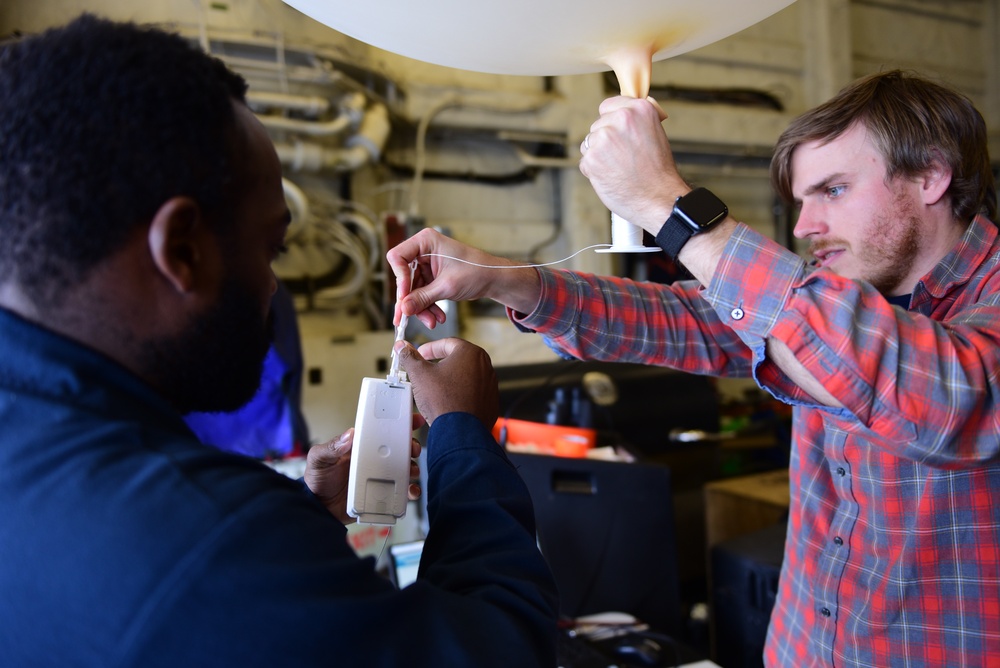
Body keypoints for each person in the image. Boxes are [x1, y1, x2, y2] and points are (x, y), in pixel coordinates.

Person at [388, 70, 1000, 667]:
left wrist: (668, 204)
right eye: (801, 201)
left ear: (931, 175)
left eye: (832, 190)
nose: (806, 226)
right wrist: (503, 278)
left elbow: (945, 393)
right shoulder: (838, 295)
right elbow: (686, 319)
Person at [0, 15, 557, 667]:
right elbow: (504, 650)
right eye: (273, 249)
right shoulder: (211, 541)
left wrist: (299, 517)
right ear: (181, 249)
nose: (272, 287)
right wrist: (463, 433)